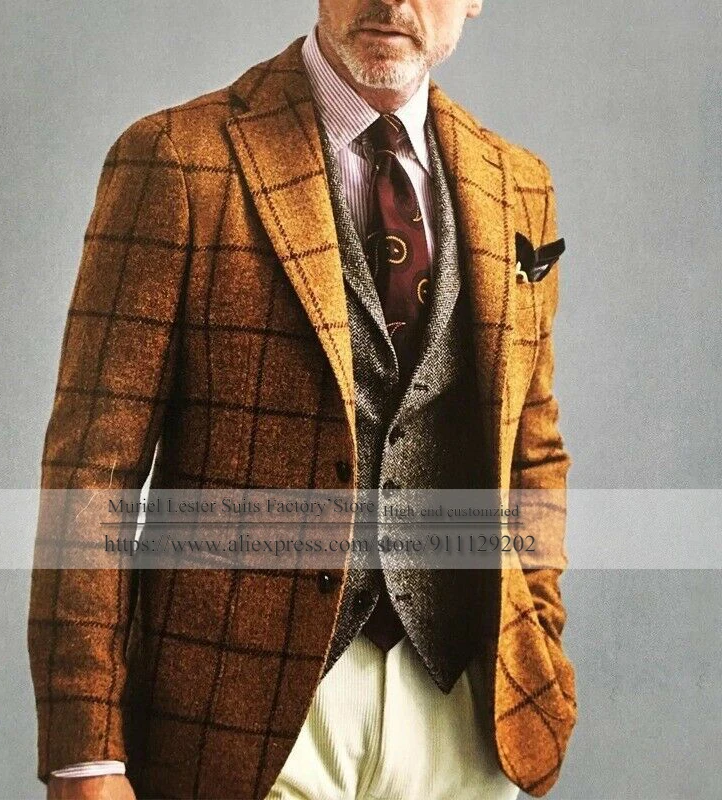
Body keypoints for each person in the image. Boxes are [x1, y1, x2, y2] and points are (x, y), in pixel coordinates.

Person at [28, 1, 578, 798]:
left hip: (467, 711)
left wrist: (539, 631)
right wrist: (88, 751)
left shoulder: (518, 184)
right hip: (237, 718)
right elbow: (93, 470)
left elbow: (534, 446)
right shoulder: (178, 159)